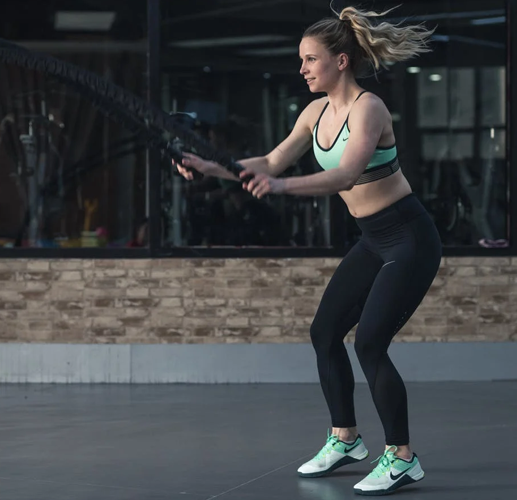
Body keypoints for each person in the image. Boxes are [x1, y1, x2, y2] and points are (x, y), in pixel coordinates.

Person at [174, 5, 439, 496]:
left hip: (409, 239)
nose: (302, 69)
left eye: (310, 59)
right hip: (372, 239)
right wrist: (207, 166)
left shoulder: (369, 109)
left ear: (341, 61)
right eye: (301, 59)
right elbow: (270, 160)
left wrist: (280, 187)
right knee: (325, 332)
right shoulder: (314, 113)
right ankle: (346, 439)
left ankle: (403, 457)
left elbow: (346, 175)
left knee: (370, 343)